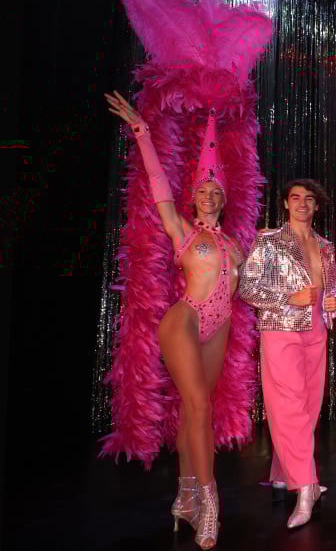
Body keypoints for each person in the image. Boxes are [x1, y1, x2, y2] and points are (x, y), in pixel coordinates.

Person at [106, 92, 244, 548]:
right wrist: (143, 135)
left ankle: (183, 498)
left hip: (219, 325)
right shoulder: (182, 229)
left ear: (223, 199)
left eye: (215, 191)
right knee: (201, 408)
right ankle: (209, 502)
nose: (208, 195)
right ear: (194, 197)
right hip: (183, 320)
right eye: (202, 190)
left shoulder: (236, 247)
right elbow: (157, 185)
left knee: (192, 413)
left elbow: (252, 289)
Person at [239, 179, 336, 527]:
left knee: (309, 407)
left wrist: (333, 303)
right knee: (289, 405)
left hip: (316, 329)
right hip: (280, 328)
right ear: (285, 204)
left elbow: (333, 288)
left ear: (315, 206)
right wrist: (287, 299)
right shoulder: (269, 241)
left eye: (309, 200)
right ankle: (305, 487)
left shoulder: (325, 246)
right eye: (295, 198)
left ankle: (282, 474)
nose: (302, 204)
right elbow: (248, 287)